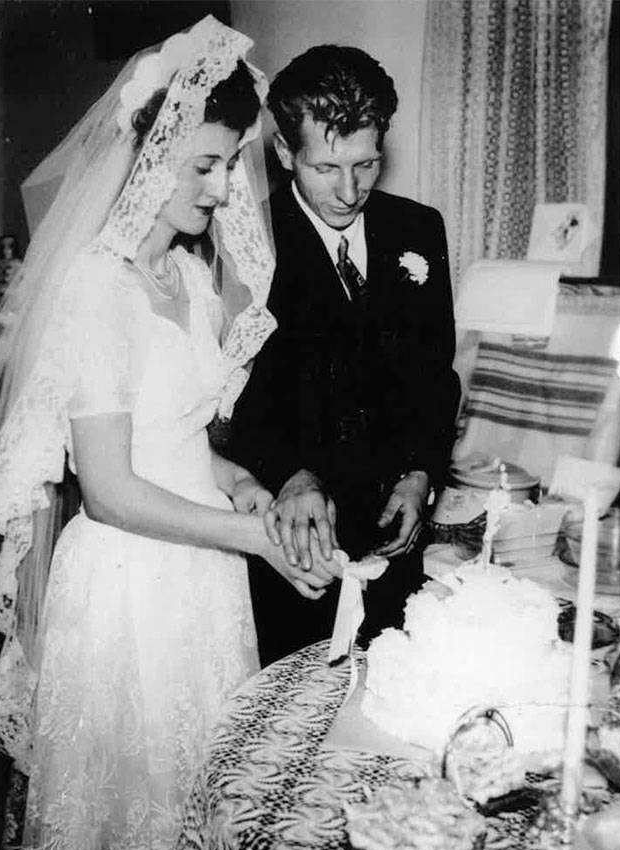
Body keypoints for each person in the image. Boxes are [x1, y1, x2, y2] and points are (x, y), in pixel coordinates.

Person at [0, 17, 337, 850]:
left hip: (204, 578)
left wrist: (246, 485)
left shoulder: (183, 275)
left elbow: (185, 440)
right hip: (129, 588)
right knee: (131, 830)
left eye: (230, 163)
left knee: (201, 811)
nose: (225, 188)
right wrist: (246, 537)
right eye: (207, 164)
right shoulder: (95, 286)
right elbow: (106, 488)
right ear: (150, 153)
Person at [228, 45, 461, 666]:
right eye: (328, 167)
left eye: (367, 164)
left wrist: (420, 474)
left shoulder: (419, 229)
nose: (350, 189)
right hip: (298, 540)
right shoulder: (245, 242)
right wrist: (291, 474)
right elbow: (229, 399)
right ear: (284, 153)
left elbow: (437, 376)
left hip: (393, 532)